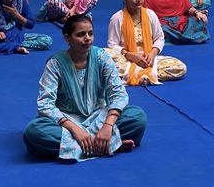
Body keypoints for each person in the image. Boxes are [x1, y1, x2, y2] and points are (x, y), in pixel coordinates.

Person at [23, 15, 147, 160]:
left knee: (137, 117)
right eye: (81, 34)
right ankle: (111, 144)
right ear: (67, 38)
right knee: (34, 132)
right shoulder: (55, 64)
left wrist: (108, 126)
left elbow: (118, 93)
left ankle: (84, 147)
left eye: (90, 33)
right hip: (67, 120)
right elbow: (45, 104)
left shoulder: (102, 57)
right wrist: (75, 130)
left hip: (99, 116)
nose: (87, 38)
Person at [107, 0, 187, 85]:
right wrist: (129, 55)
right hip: (126, 61)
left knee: (180, 67)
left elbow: (159, 37)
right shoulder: (117, 18)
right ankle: (145, 75)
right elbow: (112, 44)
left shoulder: (150, 14)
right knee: (105, 55)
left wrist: (153, 54)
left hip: (149, 60)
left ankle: (138, 75)